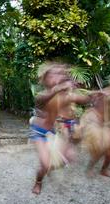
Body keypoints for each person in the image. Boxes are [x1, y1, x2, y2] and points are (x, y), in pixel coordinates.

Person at [29, 62, 77, 195]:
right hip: (39, 132)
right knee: (44, 164)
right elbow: (44, 99)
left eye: (60, 74)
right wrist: (59, 88)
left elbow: (73, 103)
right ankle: (38, 182)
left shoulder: (63, 96)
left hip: (53, 132)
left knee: (69, 157)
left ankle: (47, 168)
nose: (57, 77)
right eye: (53, 74)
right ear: (45, 79)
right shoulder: (42, 95)